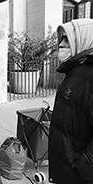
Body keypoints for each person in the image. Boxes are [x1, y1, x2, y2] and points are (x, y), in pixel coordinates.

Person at [49, 19, 93, 184]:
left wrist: (83, 170)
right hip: (65, 171)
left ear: (84, 39)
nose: (61, 44)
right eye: (61, 39)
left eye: (67, 39)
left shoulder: (89, 74)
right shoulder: (75, 71)